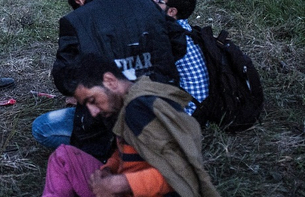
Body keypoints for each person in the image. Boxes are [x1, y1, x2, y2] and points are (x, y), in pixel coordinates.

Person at [32, 0, 187, 161]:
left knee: (41, 128)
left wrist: (90, 88)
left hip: (109, 124)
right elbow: (179, 44)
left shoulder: (74, 20)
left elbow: (65, 79)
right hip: (164, 111)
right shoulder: (147, 4)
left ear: (80, 1)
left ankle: (113, 154)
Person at [42, 54, 219, 197]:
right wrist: (108, 169)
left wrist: (122, 184)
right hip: (124, 182)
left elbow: (181, 173)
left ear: (110, 81)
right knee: (63, 156)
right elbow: (127, 149)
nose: (93, 112)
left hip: (143, 190)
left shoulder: (140, 110)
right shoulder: (127, 101)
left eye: (92, 100)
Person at [155, 0, 209, 115]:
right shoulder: (186, 30)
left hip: (186, 112)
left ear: (172, 11)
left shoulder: (170, 37)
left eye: (159, 0)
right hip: (200, 105)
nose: (153, 1)